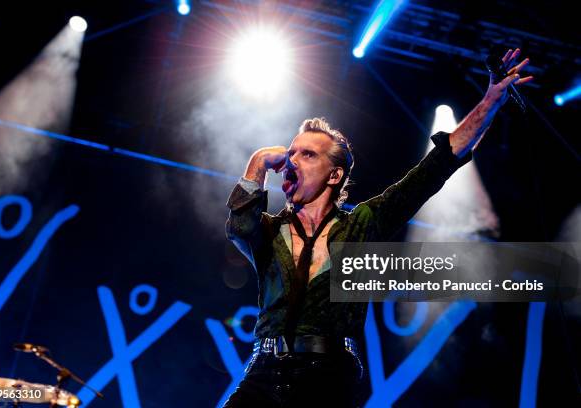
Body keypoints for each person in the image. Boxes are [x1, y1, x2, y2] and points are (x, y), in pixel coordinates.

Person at [224, 49, 532, 407]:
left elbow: (434, 169)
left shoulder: (361, 225)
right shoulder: (269, 231)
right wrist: (259, 160)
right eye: (290, 154)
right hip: (264, 372)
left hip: (329, 376)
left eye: (308, 154)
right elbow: (239, 225)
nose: (292, 161)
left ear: (335, 175)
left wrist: (492, 99)